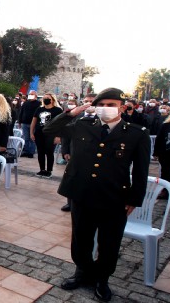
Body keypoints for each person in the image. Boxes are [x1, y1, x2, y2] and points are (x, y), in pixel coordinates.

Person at [44, 88, 150, 302]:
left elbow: (141, 170)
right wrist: (72, 112)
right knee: (81, 237)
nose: (106, 109)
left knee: (109, 241)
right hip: (81, 193)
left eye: (111, 105)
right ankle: (82, 272)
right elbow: (49, 129)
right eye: (102, 105)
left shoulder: (137, 133)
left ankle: (102, 279)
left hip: (114, 197)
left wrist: (134, 199)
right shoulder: (82, 125)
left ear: (122, 107)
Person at [60, 94, 96, 212]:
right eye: (86, 101)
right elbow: (66, 134)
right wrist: (65, 151)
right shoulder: (77, 116)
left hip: (93, 156)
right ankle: (70, 203)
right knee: (72, 178)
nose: (88, 103)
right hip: (74, 153)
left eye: (91, 101)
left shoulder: (102, 118)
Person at [30, 92, 63, 177]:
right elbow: (34, 122)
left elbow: (61, 124)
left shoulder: (58, 110)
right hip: (39, 133)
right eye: (44, 98)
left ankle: (49, 170)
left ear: (52, 100)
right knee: (40, 152)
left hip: (51, 134)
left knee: (49, 152)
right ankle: (42, 169)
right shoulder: (39, 109)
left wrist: (58, 136)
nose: (46, 100)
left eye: (48, 98)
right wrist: (31, 133)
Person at [18, 90, 39, 158]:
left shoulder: (39, 104)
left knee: (32, 138)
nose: (30, 95)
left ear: (36, 96)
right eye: (30, 94)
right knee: (25, 138)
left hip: (34, 124)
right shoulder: (25, 103)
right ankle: (26, 151)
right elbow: (21, 112)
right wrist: (20, 121)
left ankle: (31, 152)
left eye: (32, 94)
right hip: (25, 123)